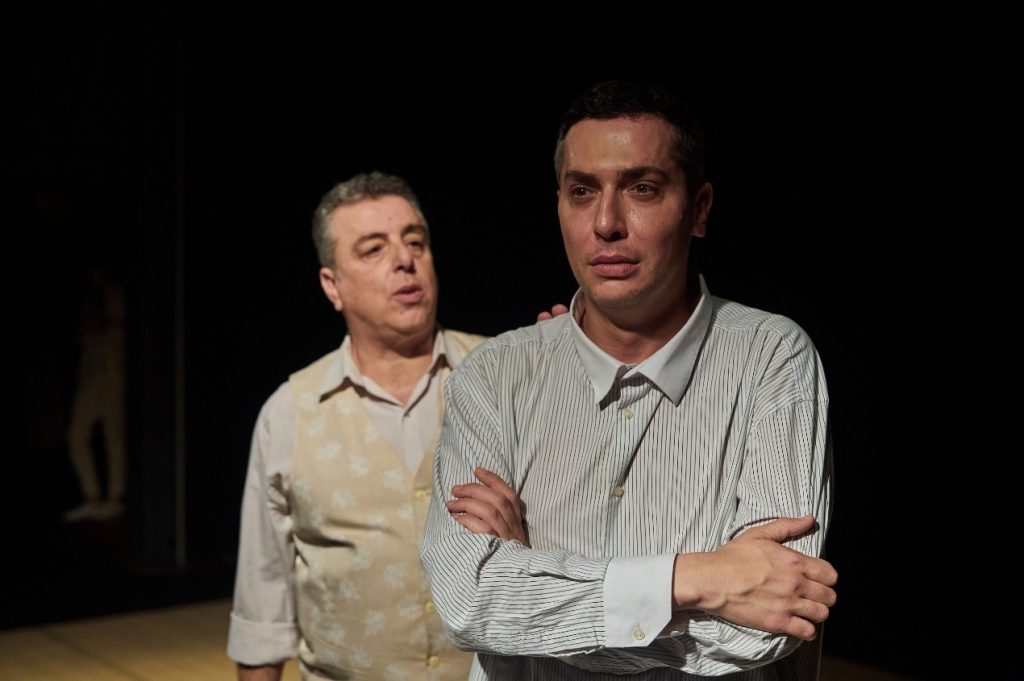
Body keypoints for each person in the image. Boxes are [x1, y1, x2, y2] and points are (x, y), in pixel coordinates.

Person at [420, 80, 837, 680]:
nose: (606, 222)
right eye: (582, 191)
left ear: (699, 209)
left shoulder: (770, 357)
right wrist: (696, 579)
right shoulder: (494, 375)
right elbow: (468, 603)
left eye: (642, 188)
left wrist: (533, 580)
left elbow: (765, 626)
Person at [227, 171, 488, 680]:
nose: (404, 260)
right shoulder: (290, 413)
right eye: (373, 250)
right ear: (333, 285)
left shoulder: (502, 376)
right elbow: (262, 608)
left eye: (415, 242)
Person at [62, 264, 127, 522]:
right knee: (77, 435)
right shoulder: (91, 296)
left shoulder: (113, 292)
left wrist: (100, 323)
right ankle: (93, 497)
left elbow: (116, 322)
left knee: (113, 433)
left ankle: (114, 498)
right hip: (91, 369)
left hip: (111, 368)